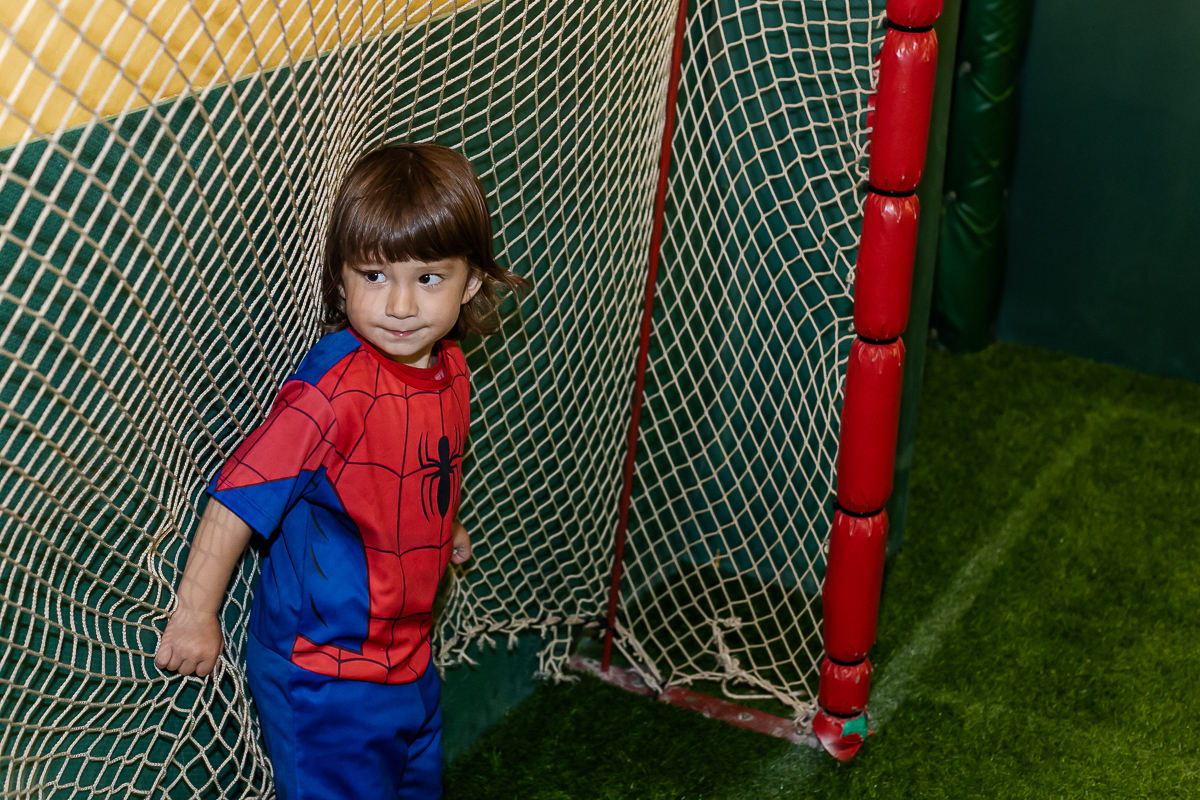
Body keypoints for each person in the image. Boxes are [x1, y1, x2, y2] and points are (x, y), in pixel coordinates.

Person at [154, 143, 528, 799]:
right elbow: (239, 494)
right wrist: (195, 612)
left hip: (409, 657)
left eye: (429, 278)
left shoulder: (451, 367)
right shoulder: (332, 392)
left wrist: (443, 524)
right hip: (325, 673)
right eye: (375, 276)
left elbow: (420, 463)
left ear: (471, 282)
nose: (401, 305)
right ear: (341, 279)